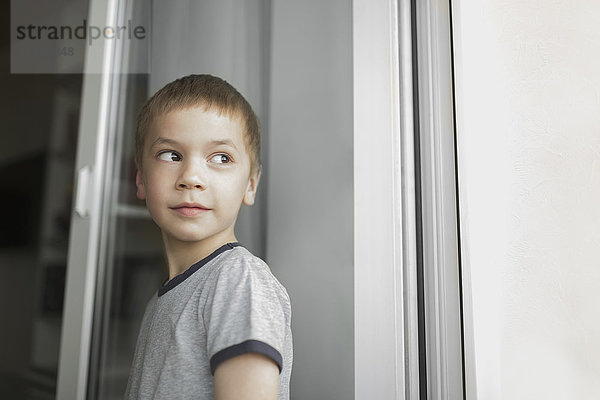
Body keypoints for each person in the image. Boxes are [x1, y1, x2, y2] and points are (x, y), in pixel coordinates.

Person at [125, 74, 293, 399]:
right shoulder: (164, 299)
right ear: (141, 178)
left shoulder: (238, 280)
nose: (191, 178)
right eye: (171, 155)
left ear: (250, 185)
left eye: (221, 158)